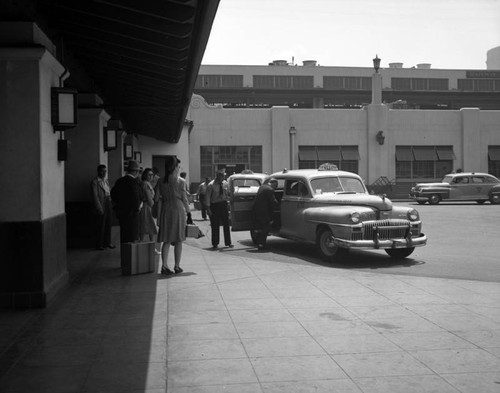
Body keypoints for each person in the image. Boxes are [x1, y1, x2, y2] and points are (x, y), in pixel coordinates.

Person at [155, 156, 190, 275]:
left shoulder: (160, 180)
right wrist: (188, 212)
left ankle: (164, 266)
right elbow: (185, 199)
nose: (179, 168)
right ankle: (177, 266)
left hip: (166, 209)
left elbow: (157, 198)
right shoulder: (181, 181)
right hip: (178, 210)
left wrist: (158, 216)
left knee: (167, 240)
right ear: (175, 167)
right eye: (178, 166)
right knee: (179, 239)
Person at [110, 160, 143, 244]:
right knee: (132, 236)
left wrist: (119, 204)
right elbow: (137, 198)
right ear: (135, 171)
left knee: (124, 235)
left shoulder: (119, 181)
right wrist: (138, 207)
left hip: (121, 213)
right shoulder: (134, 182)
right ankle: (130, 256)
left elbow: (113, 194)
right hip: (133, 214)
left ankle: (124, 255)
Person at [206, 169, 233, 249]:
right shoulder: (211, 185)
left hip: (223, 205)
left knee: (226, 224)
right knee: (215, 225)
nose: (223, 177)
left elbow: (228, 194)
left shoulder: (225, 184)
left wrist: (230, 199)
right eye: (222, 175)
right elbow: (207, 197)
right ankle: (215, 243)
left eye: (224, 175)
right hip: (214, 206)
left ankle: (228, 242)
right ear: (218, 176)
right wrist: (208, 209)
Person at [90, 164, 115, 250]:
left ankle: (107, 243)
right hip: (101, 203)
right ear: (98, 171)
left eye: (105, 171)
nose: (104, 173)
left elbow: (109, 191)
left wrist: (111, 201)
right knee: (101, 225)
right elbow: (95, 196)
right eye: (102, 171)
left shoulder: (106, 181)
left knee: (109, 223)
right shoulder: (95, 182)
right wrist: (99, 207)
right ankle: (99, 244)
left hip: (108, 202)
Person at [252, 179, 279, 250]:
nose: (275, 188)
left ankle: (258, 242)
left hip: (256, 209)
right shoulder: (270, 189)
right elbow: (272, 201)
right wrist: (278, 206)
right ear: (273, 184)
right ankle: (261, 244)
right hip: (264, 211)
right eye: (276, 186)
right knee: (266, 227)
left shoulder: (262, 186)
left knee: (259, 227)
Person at [139, 168, 158, 242]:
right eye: (149, 175)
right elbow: (148, 197)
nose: (151, 176)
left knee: (149, 226)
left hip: (148, 206)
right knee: (147, 226)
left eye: (152, 175)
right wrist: (153, 204)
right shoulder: (145, 184)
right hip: (147, 206)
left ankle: (151, 244)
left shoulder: (148, 183)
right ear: (145, 175)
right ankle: (146, 243)